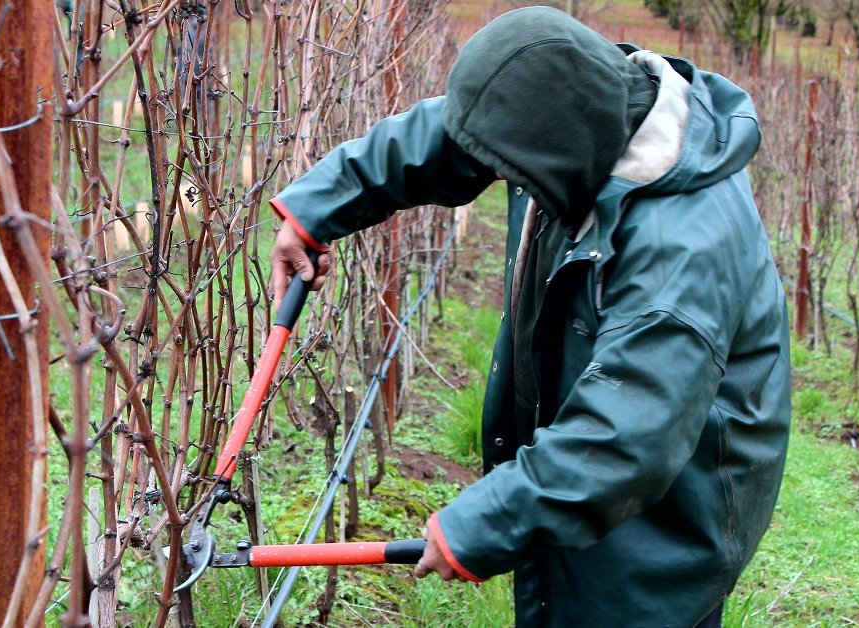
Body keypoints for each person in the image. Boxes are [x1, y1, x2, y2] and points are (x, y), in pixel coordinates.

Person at [267, 7, 790, 627]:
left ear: (556, 154)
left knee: (607, 606)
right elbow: (458, 131)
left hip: (668, 513)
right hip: (596, 469)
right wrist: (320, 206)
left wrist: (481, 526)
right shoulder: (587, 111)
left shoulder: (680, 255)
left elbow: (623, 442)